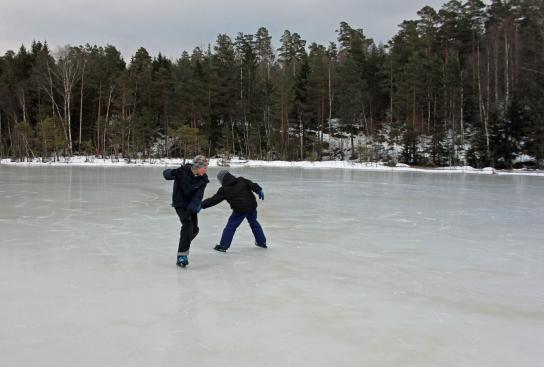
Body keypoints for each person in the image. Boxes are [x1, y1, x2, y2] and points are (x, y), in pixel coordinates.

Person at [201, 170, 267, 252]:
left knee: (231, 226)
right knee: (254, 222)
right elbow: (252, 185)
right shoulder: (241, 180)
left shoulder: (224, 189)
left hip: (240, 210)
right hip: (251, 206)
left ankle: (223, 245)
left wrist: (202, 205)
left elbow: (213, 200)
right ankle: (261, 242)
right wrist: (259, 190)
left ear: (222, 179)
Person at [163, 155, 209, 267]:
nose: (206, 170)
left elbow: (198, 196)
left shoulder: (203, 179)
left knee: (195, 230)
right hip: (180, 203)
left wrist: (191, 209)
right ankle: (182, 256)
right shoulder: (183, 171)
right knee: (187, 225)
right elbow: (166, 174)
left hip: (191, 205)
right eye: (205, 167)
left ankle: (184, 243)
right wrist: (173, 172)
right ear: (198, 167)